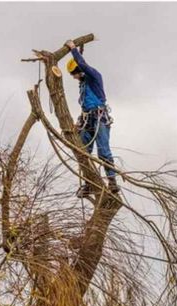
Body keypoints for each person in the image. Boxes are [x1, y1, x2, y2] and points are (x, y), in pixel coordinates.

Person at [64, 39, 120, 198]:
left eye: (74, 73)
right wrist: (79, 122)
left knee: (103, 151)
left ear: (79, 70)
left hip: (100, 119)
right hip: (87, 120)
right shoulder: (82, 84)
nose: (74, 77)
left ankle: (112, 182)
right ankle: (89, 183)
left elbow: (83, 65)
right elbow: (85, 106)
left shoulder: (94, 77)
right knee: (83, 152)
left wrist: (74, 49)